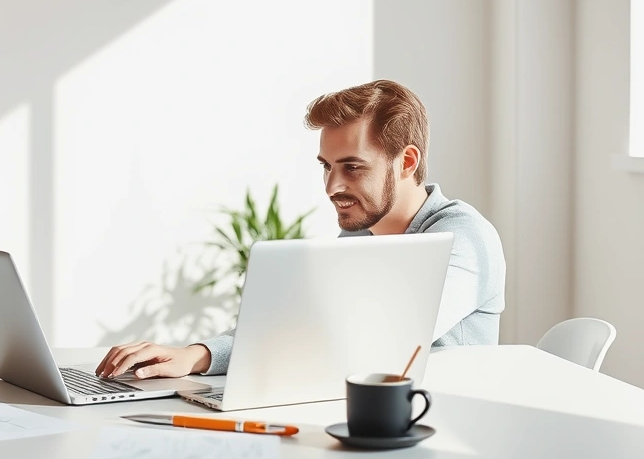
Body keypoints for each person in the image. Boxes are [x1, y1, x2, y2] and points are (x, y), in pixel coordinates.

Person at [95, 80, 505, 379]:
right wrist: (196, 355)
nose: (332, 187)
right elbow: (300, 324)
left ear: (407, 161)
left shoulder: (464, 237)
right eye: (327, 167)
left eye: (352, 167)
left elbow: (385, 338)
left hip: (442, 435)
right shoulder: (361, 236)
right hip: (369, 422)